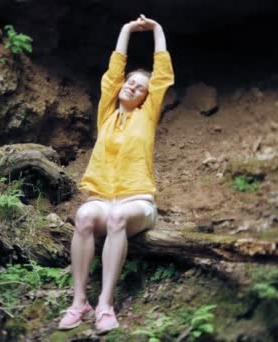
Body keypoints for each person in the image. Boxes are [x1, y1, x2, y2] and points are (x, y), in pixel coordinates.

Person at [58, 14, 174, 334]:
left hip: (137, 201)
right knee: (83, 216)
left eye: (140, 88)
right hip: (103, 198)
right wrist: (125, 30)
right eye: (130, 82)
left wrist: (156, 30)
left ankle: (105, 304)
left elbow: (161, 76)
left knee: (117, 217)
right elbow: (112, 74)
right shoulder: (107, 113)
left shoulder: (146, 116)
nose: (132, 86)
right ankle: (79, 301)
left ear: (144, 98)